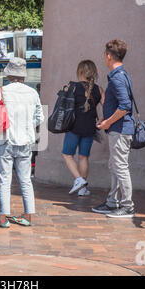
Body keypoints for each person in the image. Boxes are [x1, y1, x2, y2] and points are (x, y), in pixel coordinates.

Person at [0, 57, 44, 228]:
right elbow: (39, 117)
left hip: (5, 140)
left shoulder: (1, 91)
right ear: (23, 75)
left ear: (9, 74)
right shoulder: (33, 93)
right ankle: (27, 215)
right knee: (25, 179)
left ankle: (3, 217)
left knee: (5, 179)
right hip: (25, 142)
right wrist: (27, 126)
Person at [92, 39, 135, 218]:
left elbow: (125, 106)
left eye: (105, 55)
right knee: (115, 165)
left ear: (109, 56)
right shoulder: (121, 75)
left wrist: (108, 122)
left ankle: (127, 205)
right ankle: (112, 202)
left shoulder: (117, 77)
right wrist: (106, 117)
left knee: (120, 166)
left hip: (120, 129)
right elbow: (118, 103)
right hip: (118, 128)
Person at [62, 60, 105, 196]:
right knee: (83, 157)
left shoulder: (72, 86)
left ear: (80, 72)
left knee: (67, 154)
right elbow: (108, 108)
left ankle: (79, 180)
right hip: (90, 129)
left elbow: (62, 104)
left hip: (73, 127)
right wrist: (102, 120)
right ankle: (82, 189)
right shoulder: (99, 89)